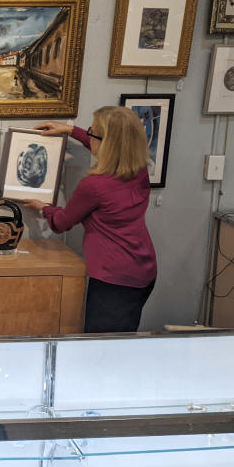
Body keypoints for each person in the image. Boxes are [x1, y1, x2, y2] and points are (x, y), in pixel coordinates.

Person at [22, 107, 157, 333]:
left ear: (106, 143)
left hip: (113, 279)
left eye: (93, 131)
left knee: (103, 346)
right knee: (124, 336)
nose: (89, 134)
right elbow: (109, 145)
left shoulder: (95, 186)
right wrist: (71, 130)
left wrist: (45, 208)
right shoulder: (138, 168)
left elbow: (62, 222)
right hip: (144, 269)